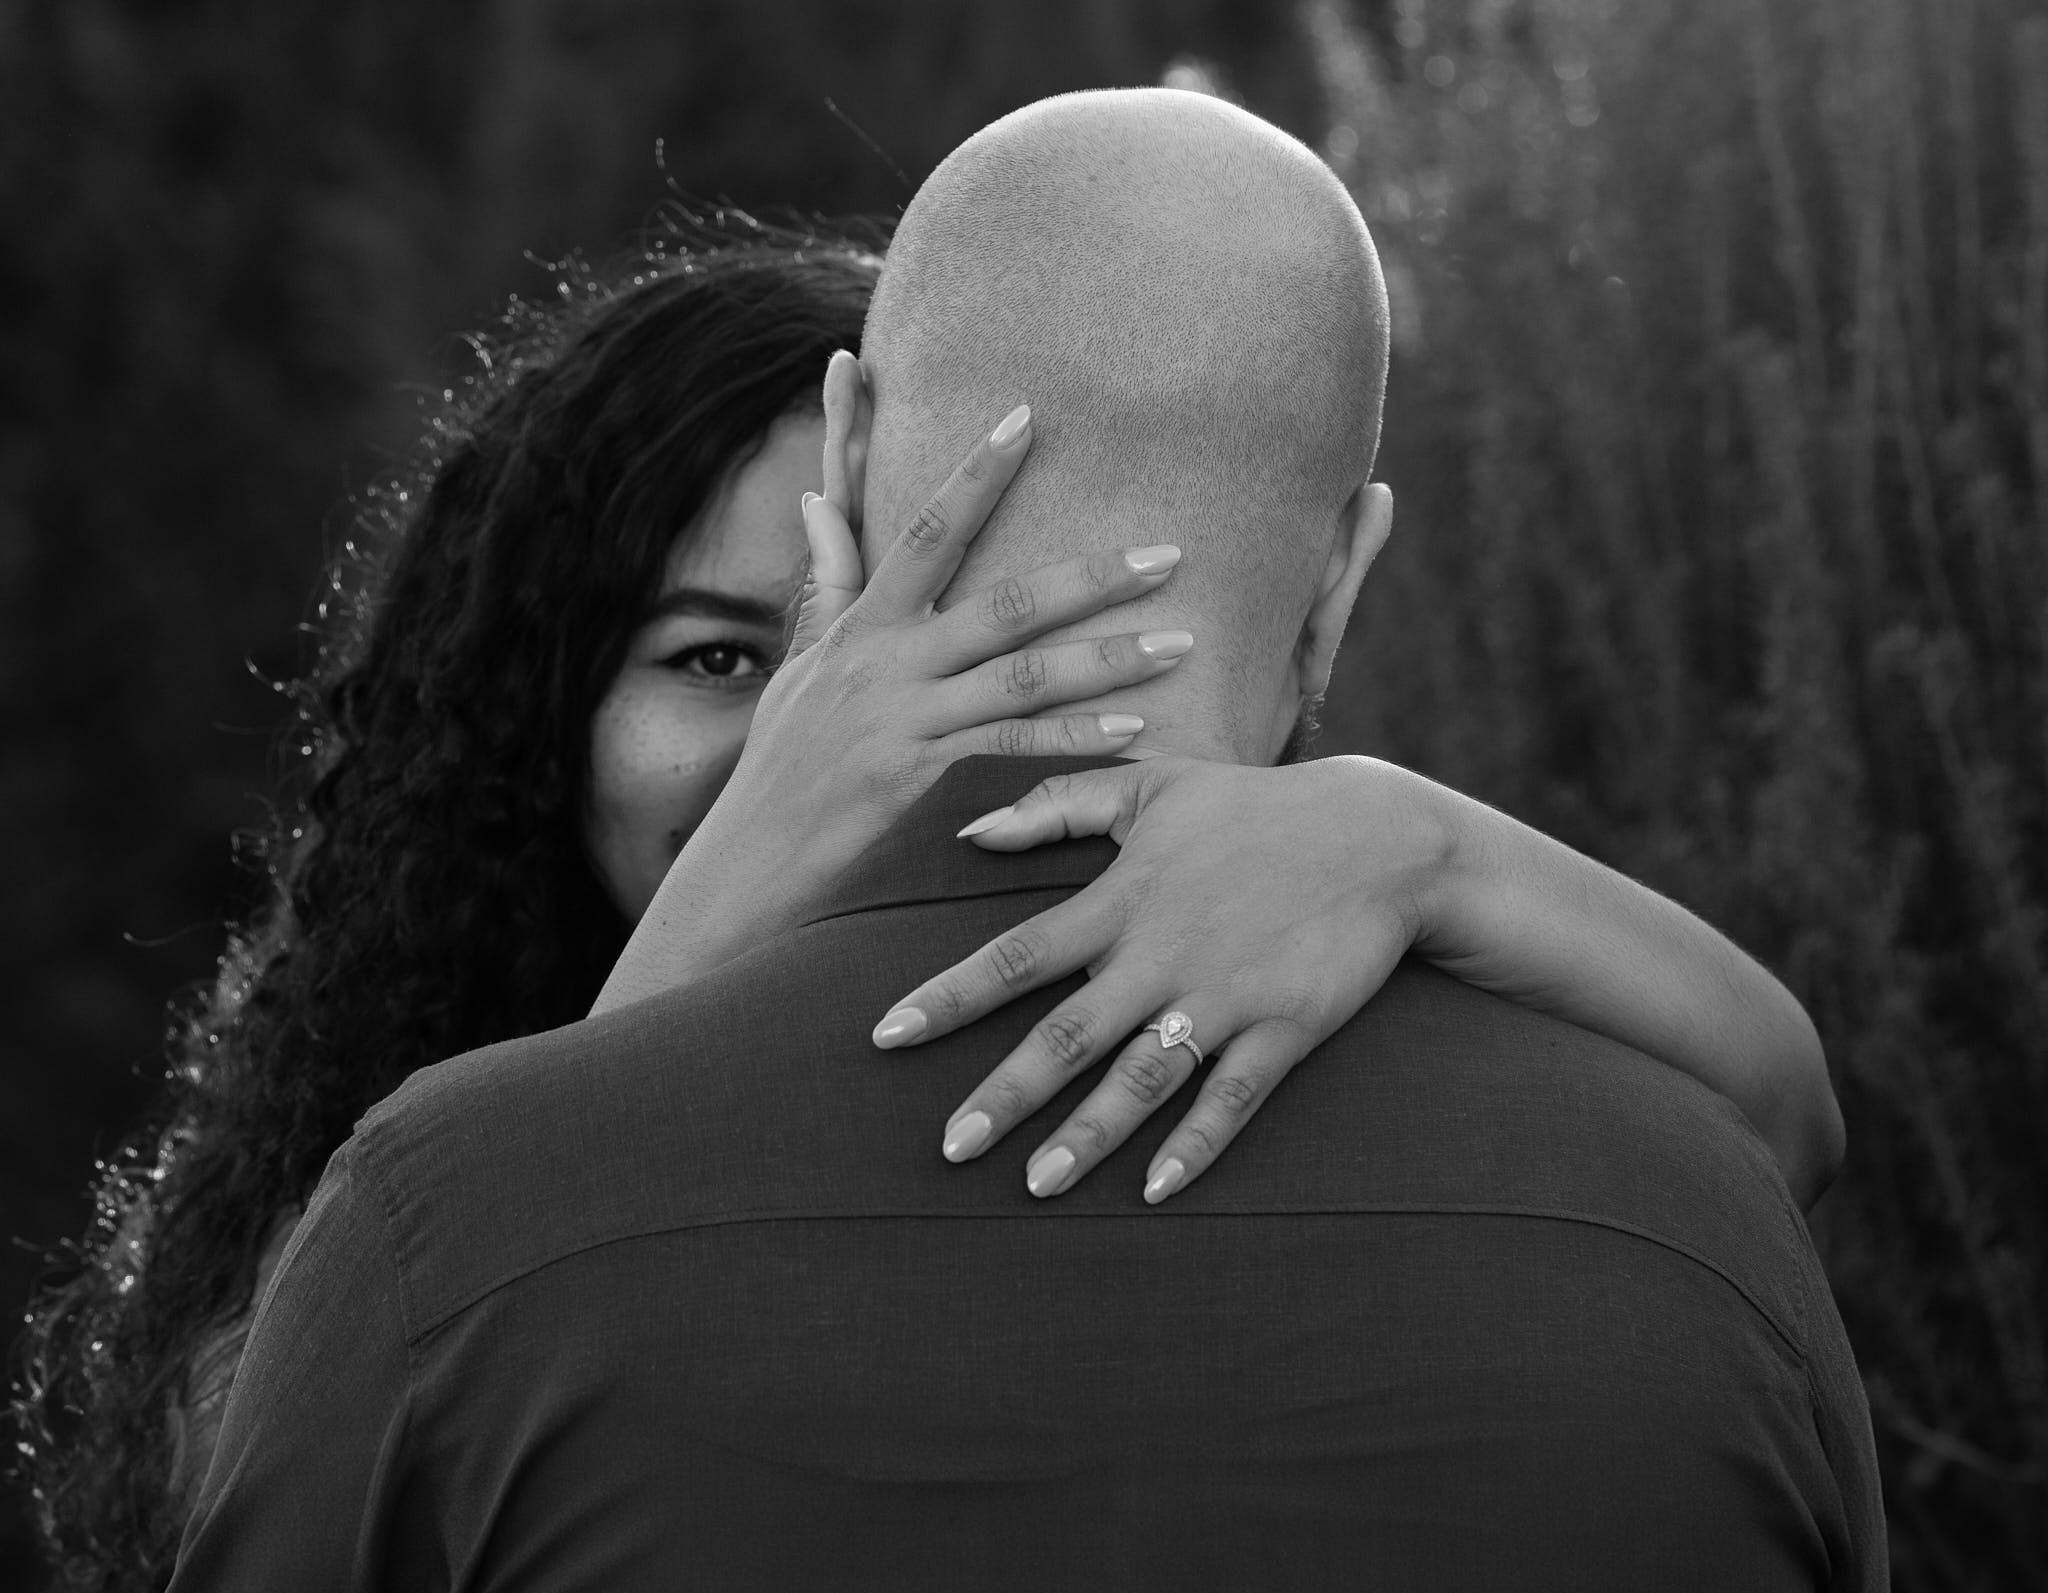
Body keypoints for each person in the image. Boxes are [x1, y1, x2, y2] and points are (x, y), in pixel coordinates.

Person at [166, 89, 1884, 1591]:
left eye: (785, 645)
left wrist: (1415, 840)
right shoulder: (1706, 1244)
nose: (781, 748)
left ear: (853, 464)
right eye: (710, 660)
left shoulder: (437, 1241)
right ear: (1344, 575)